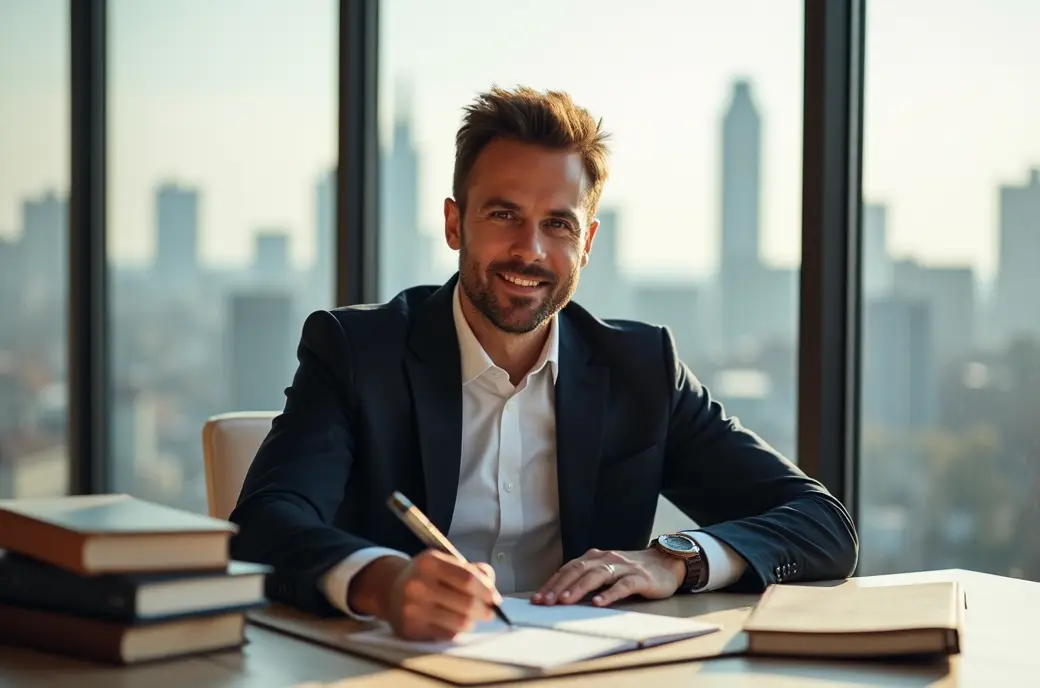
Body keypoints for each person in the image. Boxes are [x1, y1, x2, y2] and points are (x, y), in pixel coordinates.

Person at [229, 86, 858, 642]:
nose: (529, 251)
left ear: (586, 243)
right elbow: (263, 524)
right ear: (455, 224)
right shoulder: (355, 351)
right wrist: (383, 582)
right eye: (503, 214)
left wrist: (676, 560)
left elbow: (821, 526)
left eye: (557, 224)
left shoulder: (641, 369)